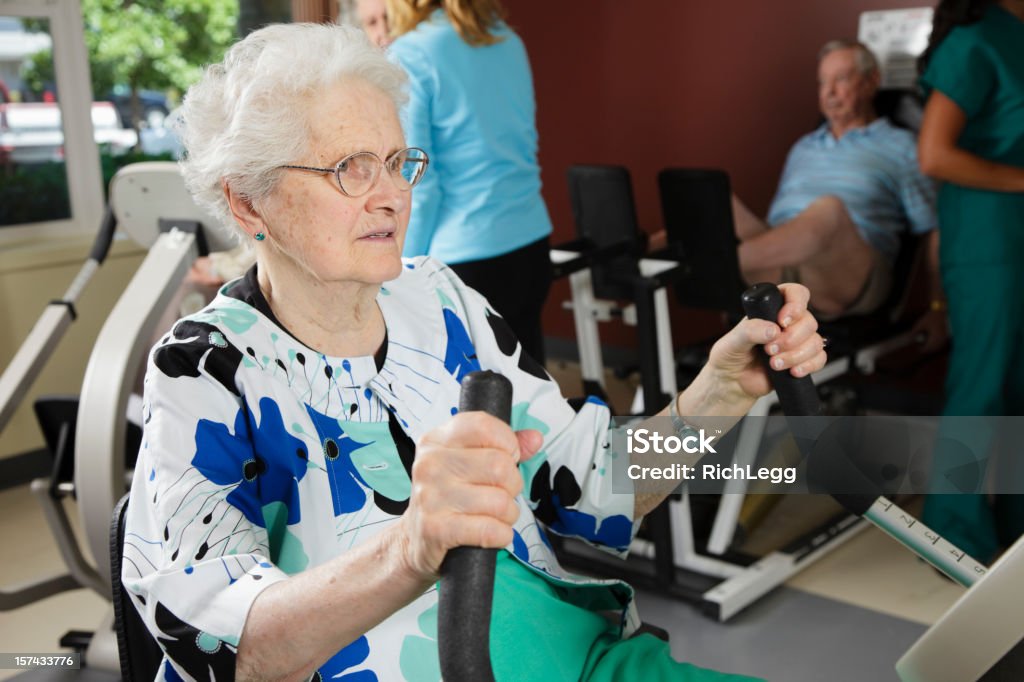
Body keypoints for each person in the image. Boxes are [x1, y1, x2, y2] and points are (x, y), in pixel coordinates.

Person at [122, 23, 826, 681]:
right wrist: (410, 549)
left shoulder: (440, 300)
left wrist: (721, 393)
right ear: (248, 204)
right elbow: (222, 650)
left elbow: (598, 485)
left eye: (398, 162)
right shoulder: (206, 369)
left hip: (583, 660)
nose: (393, 195)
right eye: (351, 168)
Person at [709, 41, 944, 330]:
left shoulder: (902, 146)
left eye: (841, 79)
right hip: (783, 262)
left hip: (847, 274)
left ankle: (704, 266)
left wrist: (938, 308)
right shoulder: (803, 147)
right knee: (714, 200)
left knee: (828, 210)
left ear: (872, 82)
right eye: (823, 82)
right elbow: (775, 228)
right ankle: (644, 258)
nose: (829, 93)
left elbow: (934, 229)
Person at [386, 0, 554, 364]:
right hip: (531, 243)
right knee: (531, 398)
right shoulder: (507, 41)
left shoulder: (412, 52)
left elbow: (420, 179)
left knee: (471, 406)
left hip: (464, 263)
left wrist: (397, 269)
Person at [916, 0, 1024, 563]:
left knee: (1017, 389)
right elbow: (933, 154)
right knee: (981, 389)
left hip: (1015, 240)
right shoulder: (979, 40)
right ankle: (951, 538)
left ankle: (1015, 528)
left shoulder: (1014, 36)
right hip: (987, 243)